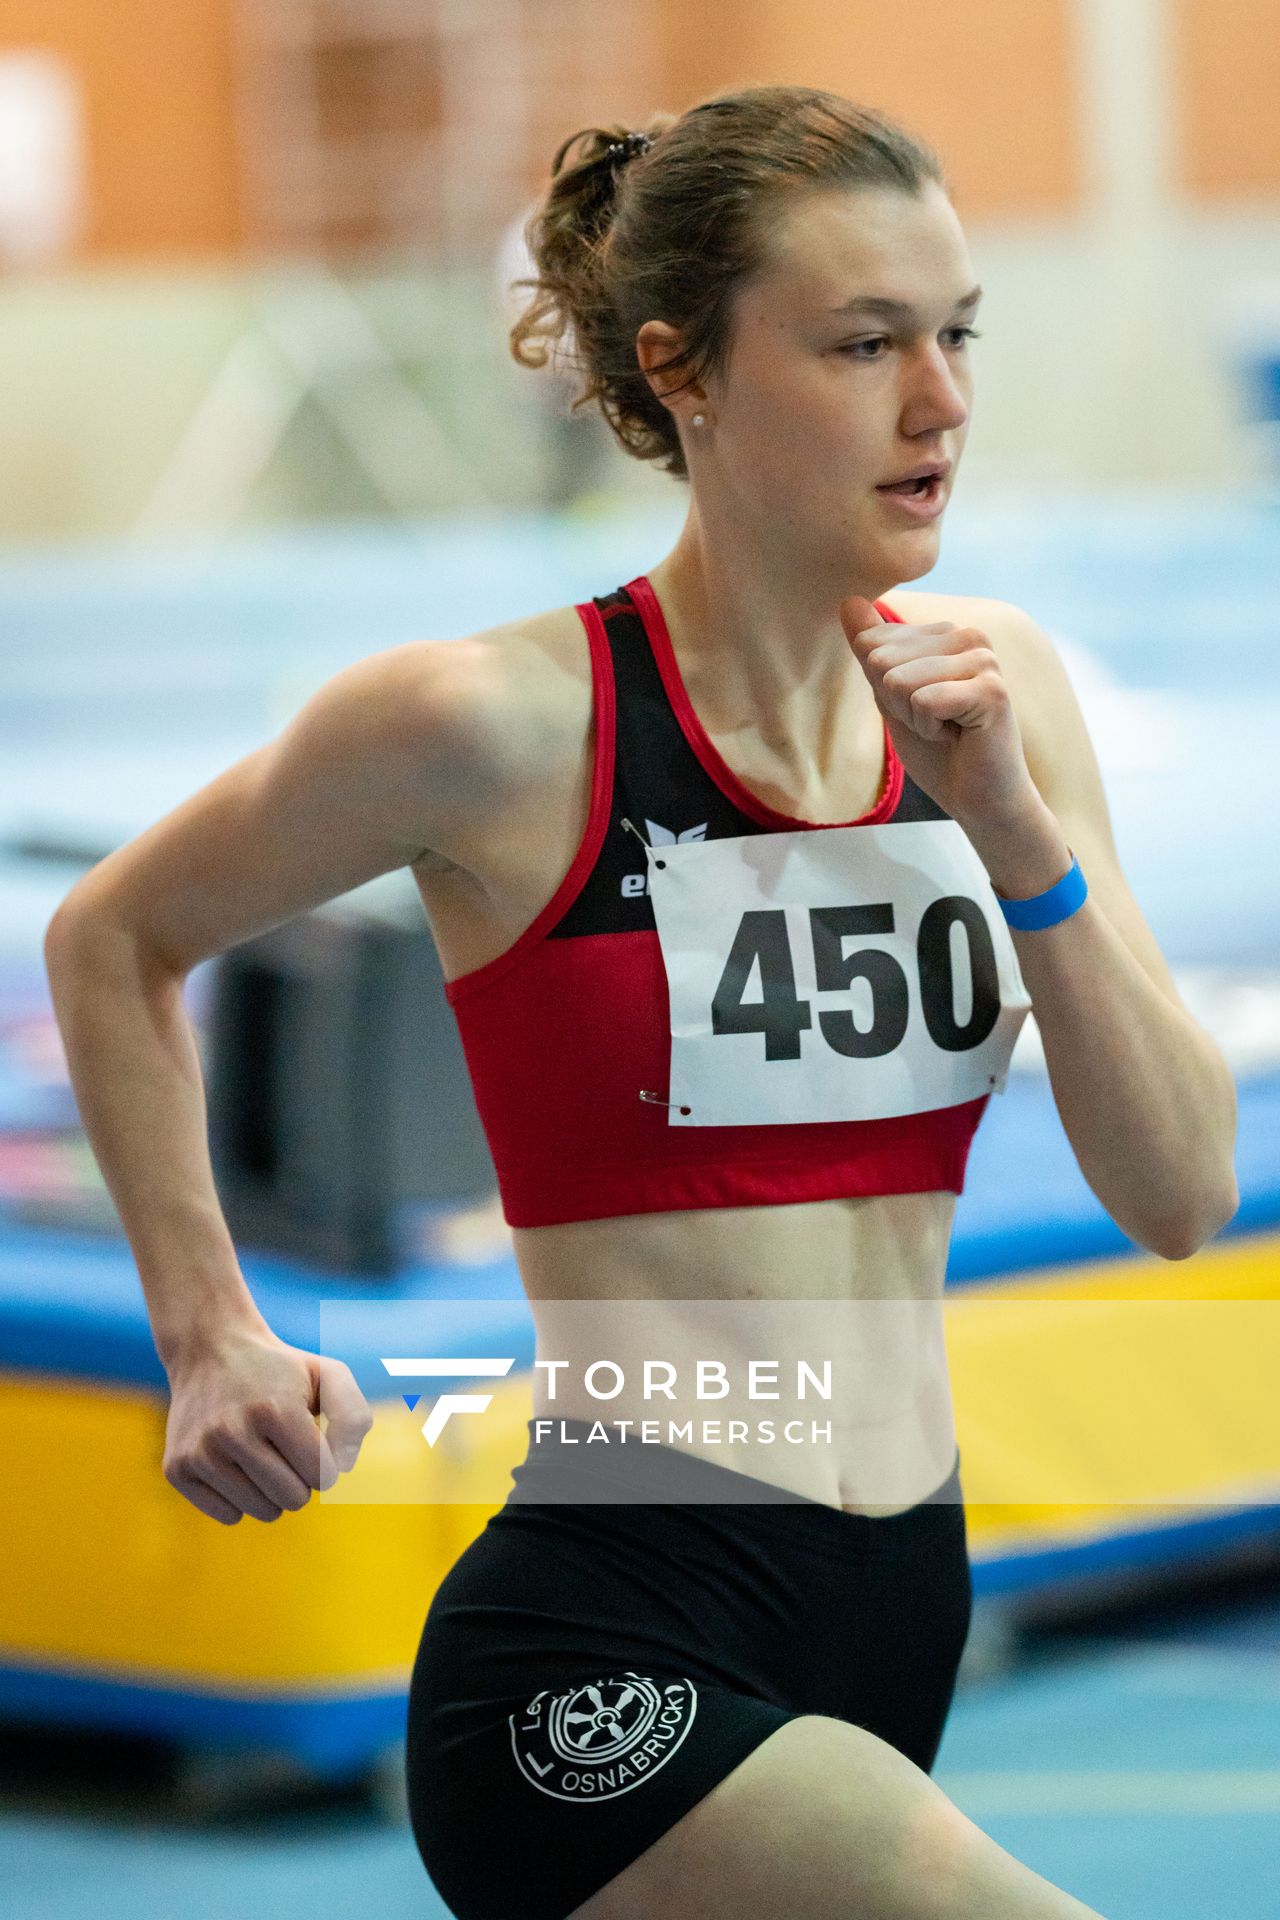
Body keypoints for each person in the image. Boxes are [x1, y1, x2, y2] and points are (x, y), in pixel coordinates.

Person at [44, 82, 1239, 1920]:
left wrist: (1017, 835)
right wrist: (208, 1330)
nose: (941, 403)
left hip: (900, 1596)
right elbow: (113, 937)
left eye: (955, 334)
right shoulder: (493, 728)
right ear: (684, 371)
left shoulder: (1006, 702)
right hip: (612, 1623)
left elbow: (1179, 1198)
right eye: (863, 344)